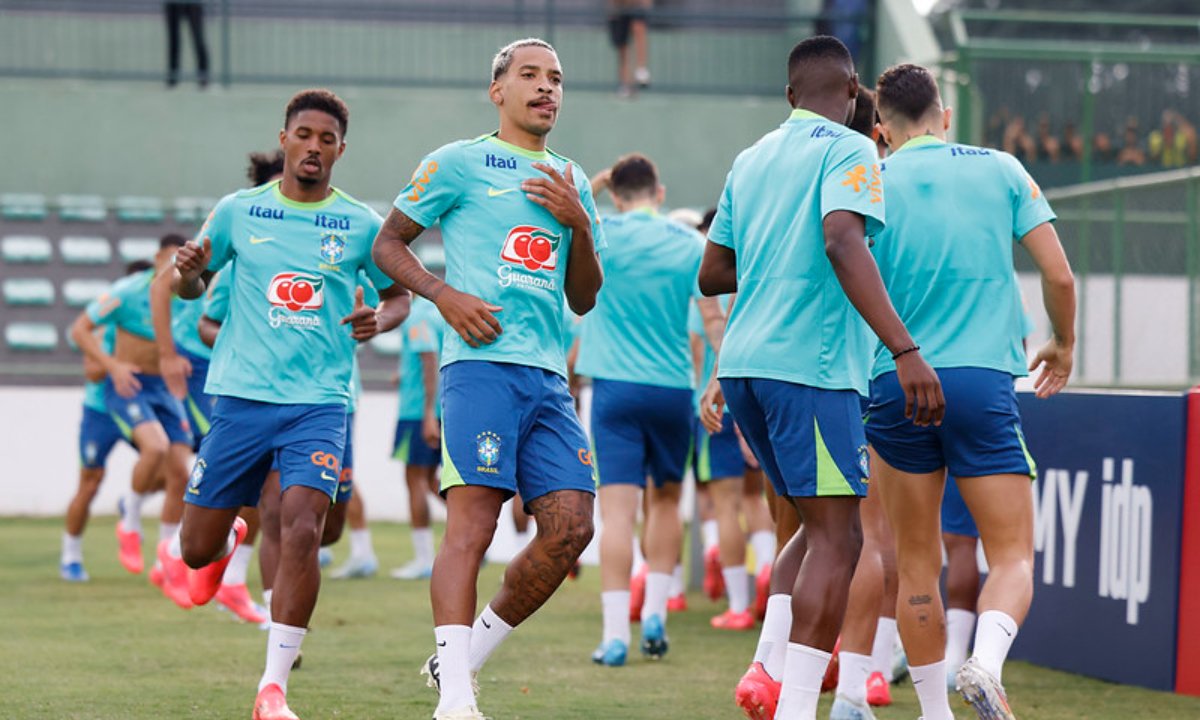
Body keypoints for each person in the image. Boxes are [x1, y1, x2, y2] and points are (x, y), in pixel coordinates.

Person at [697, 36, 943, 720]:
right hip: (811, 368)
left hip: (744, 367)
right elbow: (842, 240)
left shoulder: (752, 158)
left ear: (789, 95)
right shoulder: (851, 148)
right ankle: (799, 706)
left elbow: (712, 273)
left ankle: (765, 667)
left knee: (814, 527)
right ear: (856, 90)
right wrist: (905, 349)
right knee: (843, 538)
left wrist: (777, 263)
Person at [370, 38, 604, 720]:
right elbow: (387, 244)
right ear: (496, 90)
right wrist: (442, 296)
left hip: (548, 376)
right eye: (529, 75)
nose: (546, 88)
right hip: (479, 369)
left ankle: (460, 663)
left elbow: (584, 297)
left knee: (571, 529)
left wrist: (580, 226)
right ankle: (459, 701)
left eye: (556, 79)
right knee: (472, 526)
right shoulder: (458, 163)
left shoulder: (572, 178)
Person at [169, 88, 410, 720]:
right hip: (241, 401)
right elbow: (192, 285)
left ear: (340, 150)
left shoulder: (360, 223)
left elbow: (399, 296)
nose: (313, 147)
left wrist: (378, 320)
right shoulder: (238, 211)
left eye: (326, 140)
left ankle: (272, 688)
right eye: (303, 135)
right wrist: (190, 270)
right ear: (285, 139)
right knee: (195, 550)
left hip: (319, 404)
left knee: (304, 526)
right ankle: (229, 538)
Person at [868, 62, 1075, 720]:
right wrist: (1062, 343)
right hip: (983, 378)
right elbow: (1060, 276)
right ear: (945, 115)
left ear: (882, 130)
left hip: (894, 377)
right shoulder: (1001, 168)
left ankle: (934, 713)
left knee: (915, 561)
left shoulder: (870, 176)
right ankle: (984, 662)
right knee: (1012, 554)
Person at [578, 154, 710, 666]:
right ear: (660, 193)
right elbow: (713, 314)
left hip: (614, 388)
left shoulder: (601, 233)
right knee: (666, 503)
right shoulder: (689, 242)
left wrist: (597, 182)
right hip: (674, 388)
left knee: (616, 513)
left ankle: (615, 636)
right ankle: (655, 611)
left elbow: (569, 213)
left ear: (615, 194)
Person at [70, 236, 197, 609]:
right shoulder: (127, 291)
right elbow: (79, 330)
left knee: (181, 475)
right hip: (129, 385)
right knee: (154, 447)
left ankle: (166, 561)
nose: (175, 266)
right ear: (158, 257)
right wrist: (112, 366)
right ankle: (130, 512)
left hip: (165, 388)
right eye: (170, 258)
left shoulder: (189, 296)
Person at [60, 260, 153, 582]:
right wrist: (119, 364)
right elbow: (92, 371)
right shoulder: (104, 326)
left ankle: (131, 503)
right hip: (101, 411)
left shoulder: (153, 327)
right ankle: (70, 554)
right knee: (89, 482)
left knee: (171, 466)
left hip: (137, 406)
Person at [390, 295, 446, 581]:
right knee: (430, 480)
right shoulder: (435, 313)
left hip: (417, 413)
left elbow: (429, 359)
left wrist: (426, 414)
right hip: (436, 409)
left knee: (415, 480)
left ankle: (424, 559)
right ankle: (475, 525)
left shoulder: (416, 317)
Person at [608, 0, 652, 96]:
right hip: (618, 9)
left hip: (636, 6)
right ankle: (625, 84)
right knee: (622, 48)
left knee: (639, 29)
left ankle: (641, 69)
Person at [164, 0, 209, 88]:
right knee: (173, 39)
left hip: (193, 3)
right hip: (173, 3)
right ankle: (172, 77)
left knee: (198, 38)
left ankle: (203, 76)